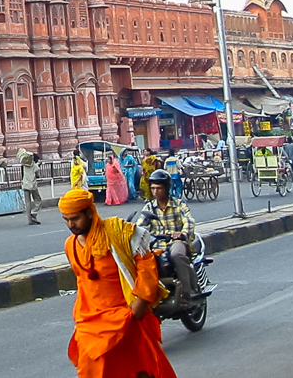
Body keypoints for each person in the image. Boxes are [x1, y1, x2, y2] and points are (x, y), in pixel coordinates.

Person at [58, 189, 177, 378]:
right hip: (89, 322)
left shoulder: (116, 231)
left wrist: (141, 300)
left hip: (125, 316)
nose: (70, 224)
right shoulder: (70, 245)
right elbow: (82, 282)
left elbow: (146, 262)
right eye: (66, 220)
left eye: (75, 218)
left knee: (139, 369)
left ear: (89, 212)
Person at [141, 169, 196, 308]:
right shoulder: (149, 207)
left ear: (166, 188)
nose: (156, 191)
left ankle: (187, 293)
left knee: (176, 255)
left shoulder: (179, 204)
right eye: (153, 188)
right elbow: (139, 225)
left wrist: (182, 233)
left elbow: (189, 220)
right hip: (156, 244)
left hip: (176, 242)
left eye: (159, 188)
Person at [17, 148, 42, 224]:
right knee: (38, 200)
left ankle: (30, 220)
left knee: (28, 203)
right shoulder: (35, 166)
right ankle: (34, 213)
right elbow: (37, 175)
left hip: (25, 185)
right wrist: (39, 165)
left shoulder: (25, 165)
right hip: (32, 186)